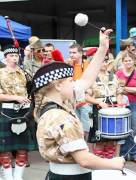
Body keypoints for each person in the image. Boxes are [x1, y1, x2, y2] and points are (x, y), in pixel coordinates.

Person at [33, 28, 125, 180]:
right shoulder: (59, 117)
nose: (74, 83)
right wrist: (114, 163)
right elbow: (84, 159)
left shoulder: (55, 102)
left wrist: (102, 49)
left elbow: (86, 80)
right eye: (70, 81)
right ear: (57, 86)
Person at [0, 45, 38, 180]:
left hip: (24, 112)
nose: (14, 58)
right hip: (6, 112)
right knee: (5, 149)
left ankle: (18, 177)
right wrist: (16, 98)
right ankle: (8, 177)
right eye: (11, 56)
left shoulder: (25, 72)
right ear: (5, 58)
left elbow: (33, 89)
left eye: (16, 55)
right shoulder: (0, 73)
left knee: (23, 148)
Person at [116, 53, 136, 163]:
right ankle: (123, 154)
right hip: (122, 104)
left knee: (134, 130)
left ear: (134, 61)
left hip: (135, 104)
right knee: (123, 130)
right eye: (126, 60)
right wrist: (126, 89)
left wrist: (124, 88)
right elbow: (116, 88)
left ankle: (134, 154)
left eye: (130, 60)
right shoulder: (118, 73)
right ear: (123, 62)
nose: (128, 62)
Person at [67, 44, 92, 141]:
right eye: (70, 53)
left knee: (86, 127)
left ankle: (85, 148)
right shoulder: (68, 65)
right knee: (75, 127)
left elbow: (90, 82)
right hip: (72, 101)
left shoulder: (87, 65)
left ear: (81, 53)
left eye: (74, 52)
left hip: (84, 101)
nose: (71, 55)